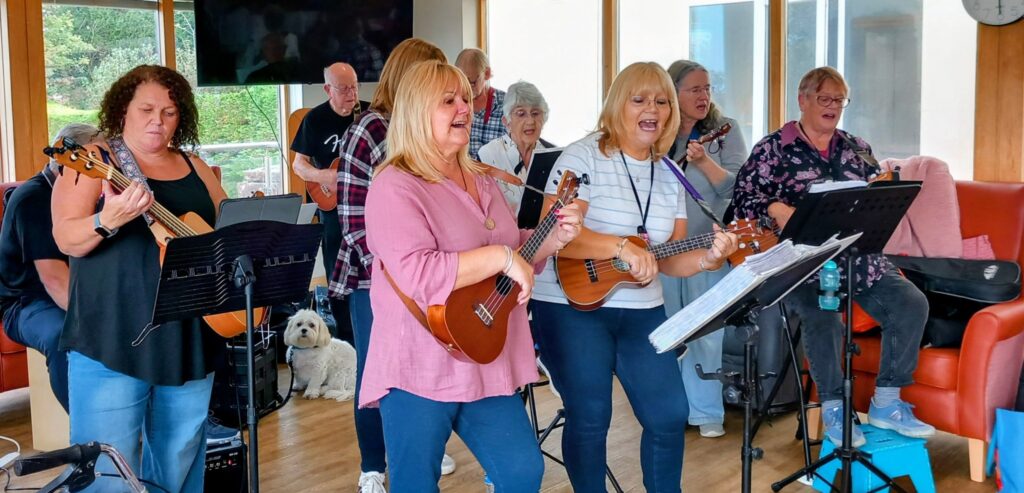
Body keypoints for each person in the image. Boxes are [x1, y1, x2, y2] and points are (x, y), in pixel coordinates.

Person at [361, 59, 582, 493]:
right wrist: (501, 256)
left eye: (465, 97)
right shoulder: (394, 184)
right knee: (414, 485)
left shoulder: (480, 179)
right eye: (448, 100)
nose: (464, 106)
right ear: (416, 111)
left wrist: (553, 238)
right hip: (418, 363)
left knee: (521, 472)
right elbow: (417, 271)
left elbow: (513, 243)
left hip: (484, 352)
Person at [529, 62, 739, 492]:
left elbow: (669, 256)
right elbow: (558, 232)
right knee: (590, 416)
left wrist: (709, 260)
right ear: (617, 105)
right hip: (571, 306)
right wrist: (620, 247)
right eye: (639, 99)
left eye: (662, 101)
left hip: (642, 310)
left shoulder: (670, 172)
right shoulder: (582, 155)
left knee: (668, 415)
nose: (653, 109)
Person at [732, 66, 934, 447]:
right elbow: (741, 201)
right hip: (801, 263)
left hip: (856, 257)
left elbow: (872, 191)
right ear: (802, 99)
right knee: (823, 318)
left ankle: (887, 403)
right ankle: (835, 411)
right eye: (824, 99)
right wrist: (776, 207)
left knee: (911, 302)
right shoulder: (773, 148)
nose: (833, 107)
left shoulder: (855, 145)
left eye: (839, 100)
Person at [52, 65, 228, 492]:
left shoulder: (195, 165)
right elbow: (66, 238)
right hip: (112, 335)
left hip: (187, 336)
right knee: (106, 471)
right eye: (146, 108)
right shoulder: (94, 162)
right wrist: (106, 219)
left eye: (169, 112)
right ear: (122, 110)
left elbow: (226, 231)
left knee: (180, 461)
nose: (158, 120)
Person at [326, 38, 451, 493]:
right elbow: (352, 215)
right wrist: (395, 272)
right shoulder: (371, 128)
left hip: (424, 276)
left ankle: (415, 448)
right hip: (370, 278)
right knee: (375, 370)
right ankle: (372, 466)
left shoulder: (434, 130)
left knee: (420, 365)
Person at [661, 59, 749, 439]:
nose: (703, 96)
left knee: (706, 332)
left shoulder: (725, 133)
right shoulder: (656, 132)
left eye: (707, 88)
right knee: (664, 330)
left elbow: (738, 190)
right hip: (661, 250)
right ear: (672, 92)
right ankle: (667, 410)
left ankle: (706, 412)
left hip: (709, 245)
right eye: (694, 89)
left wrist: (705, 161)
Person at [0, 123, 101, 412]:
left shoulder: (90, 193)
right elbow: (54, 280)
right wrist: (101, 321)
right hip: (26, 302)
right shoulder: (32, 200)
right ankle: (89, 431)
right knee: (63, 334)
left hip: (79, 286)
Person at [290, 62, 366, 343]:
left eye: (354, 87)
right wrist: (325, 176)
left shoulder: (368, 115)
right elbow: (299, 165)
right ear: (327, 89)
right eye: (344, 88)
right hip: (333, 209)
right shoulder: (315, 119)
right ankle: (345, 339)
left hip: (365, 207)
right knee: (336, 272)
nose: (352, 94)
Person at [477, 80, 556, 216]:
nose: (530, 121)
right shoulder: (488, 155)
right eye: (521, 113)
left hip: (544, 232)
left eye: (535, 113)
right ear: (506, 122)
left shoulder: (554, 155)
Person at [454, 48, 506, 160]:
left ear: (486, 74)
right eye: (462, 82)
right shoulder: (452, 105)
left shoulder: (507, 106)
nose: (466, 88)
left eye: (472, 82)